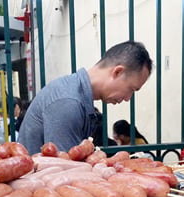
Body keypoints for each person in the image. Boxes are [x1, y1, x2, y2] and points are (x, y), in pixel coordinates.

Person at [17, 40, 153, 153]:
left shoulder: (75, 94)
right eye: (131, 89)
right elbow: (64, 171)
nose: (128, 98)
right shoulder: (69, 102)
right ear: (117, 72)